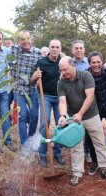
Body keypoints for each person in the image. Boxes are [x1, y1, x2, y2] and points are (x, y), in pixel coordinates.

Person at [57, 56, 106, 186]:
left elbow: (90, 96)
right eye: (60, 70)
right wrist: (63, 115)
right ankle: (77, 172)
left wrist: (80, 114)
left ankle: (105, 168)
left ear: (73, 66)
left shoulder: (86, 76)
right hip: (73, 117)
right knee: (75, 145)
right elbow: (62, 101)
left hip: (91, 115)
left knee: (99, 142)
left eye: (65, 70)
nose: (62, 73)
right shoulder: (61, 82)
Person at [30, 39, 64, 167]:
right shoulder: (41, 62)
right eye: (52, 47)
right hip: (45, 96)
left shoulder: (63, 61)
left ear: (60, 49)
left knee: (61, 125)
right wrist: (35, 77)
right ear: (49, 48)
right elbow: (32, 82)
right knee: (45, 124)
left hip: (60, 97)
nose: (55, 49)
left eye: (57, 47)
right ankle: (43, 153)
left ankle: (57, 152)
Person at [11, 30, 41, 145]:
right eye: (22, 39)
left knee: (34, 116)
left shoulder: (37, 53)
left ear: (31, 39)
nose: (26, 41)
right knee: (22, 116)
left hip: (32, 90)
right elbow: (1, 52)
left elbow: (49, 58)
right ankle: (24, 144)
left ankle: (31, 139)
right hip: (19, 91)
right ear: (18, 41)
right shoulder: (14, 51)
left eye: (27, 38)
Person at [71, 39, 92, 163]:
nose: (79, 50)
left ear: (84, 50)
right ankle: (76, 155)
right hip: (73, 101)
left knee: (88, 128)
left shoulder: (90, 63)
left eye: (81, 48)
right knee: (75, 127)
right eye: (76, 48)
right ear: (72, 50)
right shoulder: (69, 62)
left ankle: (88, 152)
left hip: (87, 100)